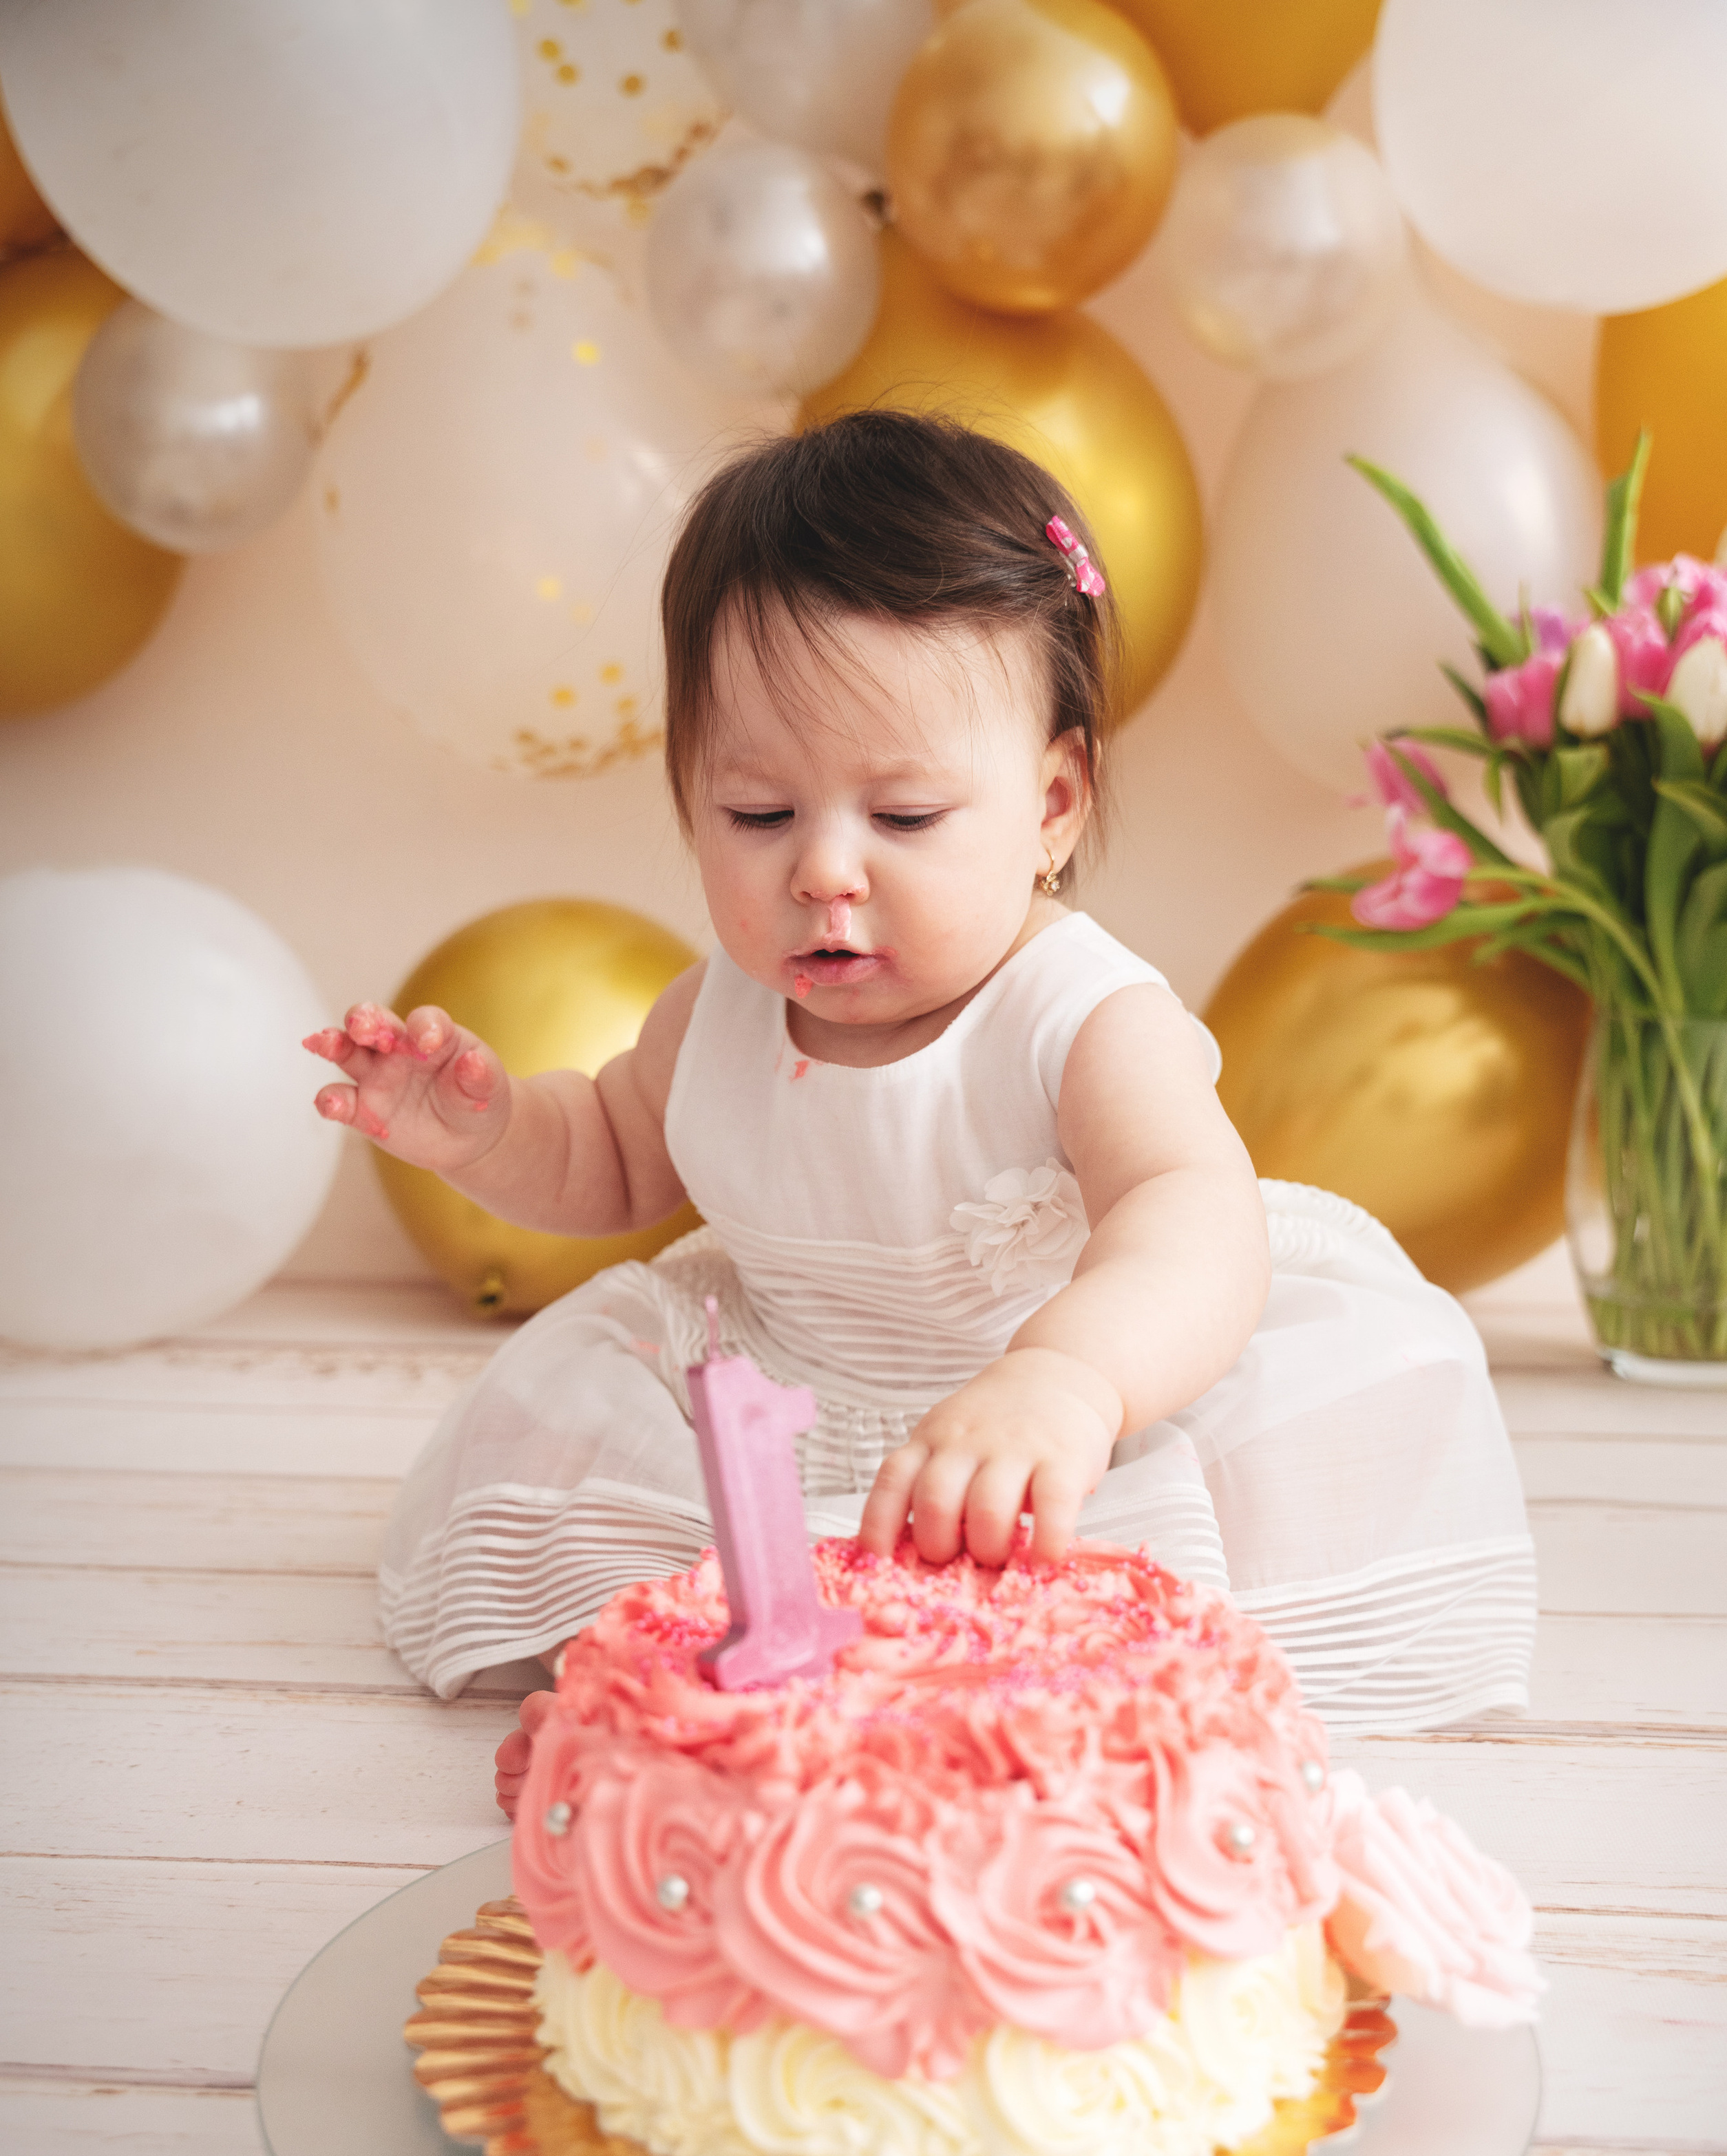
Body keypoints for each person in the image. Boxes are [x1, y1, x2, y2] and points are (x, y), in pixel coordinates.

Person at [306, 413, 1536, 1813]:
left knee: (1188, 1563)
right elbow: (607, 1157)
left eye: (902, 818)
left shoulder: (1080, 1017)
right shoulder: (704, 1017)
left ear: (1050, 803)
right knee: (599, 1464)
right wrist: (486, 1134)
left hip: (1058, 1425)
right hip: (796, 1413)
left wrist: (1067, 1380)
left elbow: (1193, 1219)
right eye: (757, 813)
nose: (825, 871)